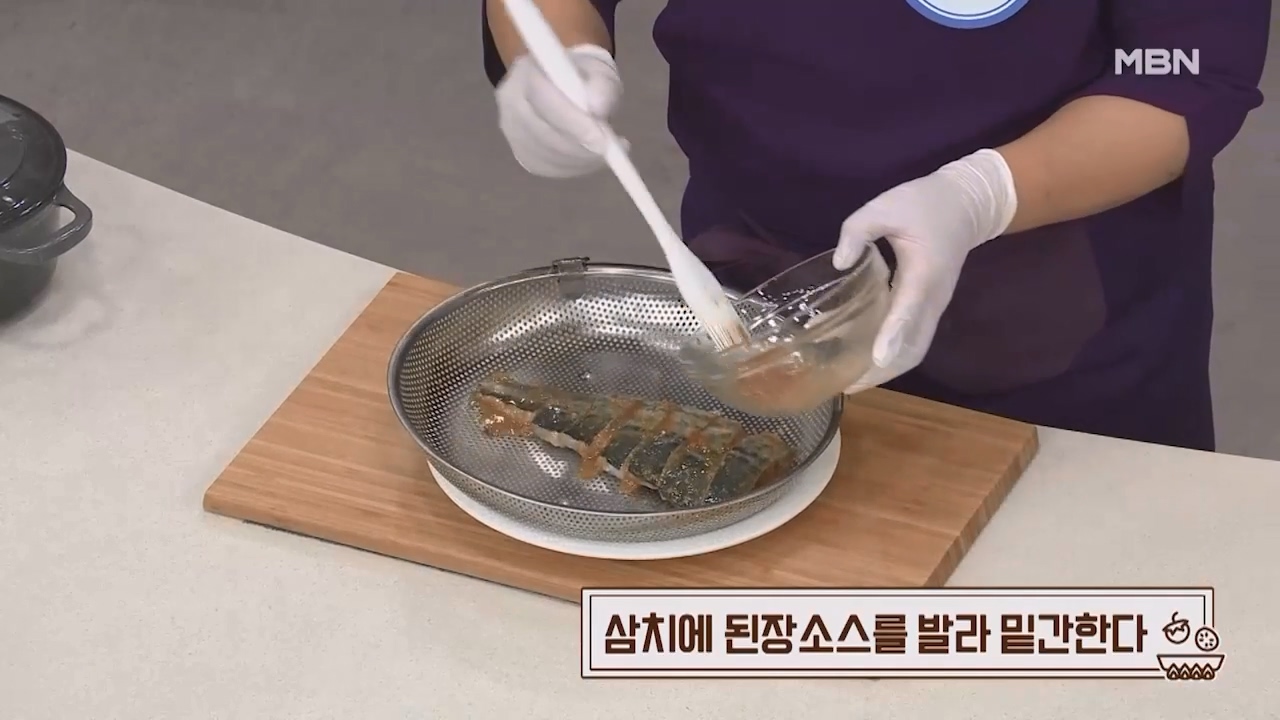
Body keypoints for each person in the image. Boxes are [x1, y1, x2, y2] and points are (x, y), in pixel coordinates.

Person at [479, 0, 1270, 452]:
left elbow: (1186, 70)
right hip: (758, 296)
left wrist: (980, 196)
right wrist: (554, 55)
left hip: (1063, 325)